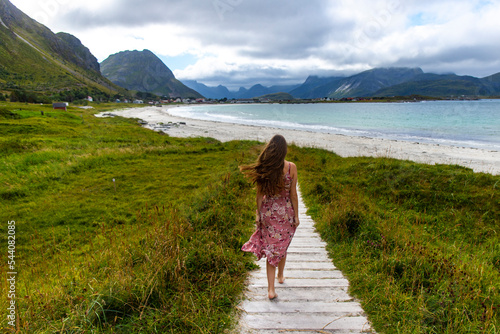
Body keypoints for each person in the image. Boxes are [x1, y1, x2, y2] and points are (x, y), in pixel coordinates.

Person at [240, 134, 300, 300]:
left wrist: (258, 214)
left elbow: (259, 195)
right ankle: (277, 281)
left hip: (268, 213)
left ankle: (274, 284)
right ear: (284, 151)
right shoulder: (291, 167)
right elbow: (293, 195)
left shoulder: (266, 167)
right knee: (281, 246)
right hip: (286, 213)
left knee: (274, 248)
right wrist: (296, 216)